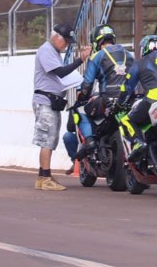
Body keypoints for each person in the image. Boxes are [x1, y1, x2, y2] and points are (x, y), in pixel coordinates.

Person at [32, 24, 90, 191]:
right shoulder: (46, 50)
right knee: (47, 140)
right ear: (56, 36)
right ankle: (44, 177)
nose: (66, 45)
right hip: (45, 101)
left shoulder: (54, 52)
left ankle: (44, 177)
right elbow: (61, 72)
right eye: (65, 41)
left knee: (50, 139)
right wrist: (80, 59)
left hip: (52, 101)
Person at [74, 24, 134, 159]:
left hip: (106, 101)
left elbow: (87, 85)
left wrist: (81, 96)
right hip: (128, 101)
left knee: (80, 109)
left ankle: (89, 141)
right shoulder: (129, 55)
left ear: (96, 41)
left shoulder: (97, 56)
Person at [115, 34, 157, 162]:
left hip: (152, 100)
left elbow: (127, 86)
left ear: (145, 48)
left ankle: (138, 142)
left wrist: (120, 103)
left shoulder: (141, 62)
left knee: (126, 120)